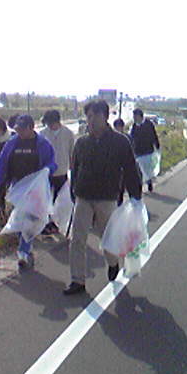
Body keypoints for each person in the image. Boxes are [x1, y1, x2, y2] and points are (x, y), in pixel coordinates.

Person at [64, 100, 142, 295]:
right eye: (88, 116)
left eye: (95, 116)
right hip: (83, 196)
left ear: (105, 117)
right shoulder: (82, 143)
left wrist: (135, 195)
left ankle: (113, 262)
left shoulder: (120, 142)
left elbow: (130, 169)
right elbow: (75, 169)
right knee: (77, 239)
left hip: (107, 197)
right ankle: (77, 280)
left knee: (107, 238)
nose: (91, 120)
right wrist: (73, 191)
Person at [0, 114, 56, 268]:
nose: (19, 132)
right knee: (20, 218)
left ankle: (24, 251)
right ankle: (25, 248)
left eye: (22, 129)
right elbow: (2, 163)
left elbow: (52, 163)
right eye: (17, 129)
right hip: (17, 186)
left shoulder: (42, 144)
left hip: (35, 188)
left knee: (30, 218)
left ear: (31, 128)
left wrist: (48, 170)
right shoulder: (12, 143)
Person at [40, 110, 76, 233]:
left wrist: (73, 170)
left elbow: (72, 153)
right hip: (46, 173)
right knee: (46, 200)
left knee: (60, 201)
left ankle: (56, 223)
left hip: (62, 172)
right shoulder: (43, 134)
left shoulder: (68, 134)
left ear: (57, 121)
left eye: (51, 123)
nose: (49, 126)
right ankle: (46, 222)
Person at [130, 108, 160, 192]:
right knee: (139, 170)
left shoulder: (149, 124)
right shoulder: (134, 126)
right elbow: (132, 138)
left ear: (140, 116)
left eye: (135, 116)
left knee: (147, 169)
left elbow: (154, 135)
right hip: (138, 152)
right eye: (133, 116)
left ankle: (149, 182)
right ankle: (139, 186)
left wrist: (157, 145)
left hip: (148, 150)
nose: (134, 118)